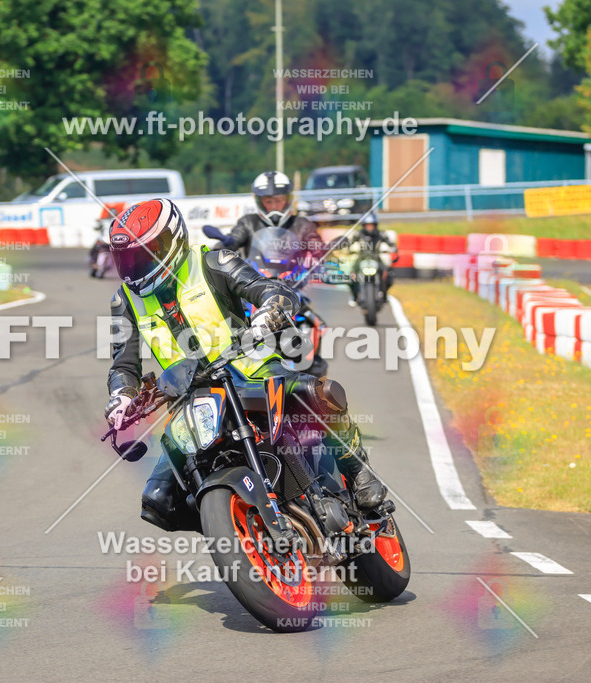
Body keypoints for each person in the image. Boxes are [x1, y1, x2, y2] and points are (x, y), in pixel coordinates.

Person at [104, 198, 387, 532]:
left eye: (144, 254)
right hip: (190, 400)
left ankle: (358, 471)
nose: (136, 266)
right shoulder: (125, 300)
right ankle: (232, 523)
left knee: (317, 393)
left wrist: (270, 309)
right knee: (158, 500)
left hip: (252, 370)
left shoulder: (212, 262)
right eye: (127, 258)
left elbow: (267, 289)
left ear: (173, 238)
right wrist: (122, 395)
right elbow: (123, 362)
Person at [218, 171, 328, 261]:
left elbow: (318, 250)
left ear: (288, 200)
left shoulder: (302, 225)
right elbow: (235, 238)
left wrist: (325, 252)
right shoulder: (249, 222)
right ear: (259, 202)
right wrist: (225, 243)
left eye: (279, 201)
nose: (274, 206)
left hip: (294, 284)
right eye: (268, 202)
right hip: (254, 284)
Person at [346, 211, 396, 307]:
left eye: (371, 225)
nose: (370, 227)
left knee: (388, 274)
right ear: (364, 225)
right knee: (351, 275)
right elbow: (349, 243)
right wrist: (347, 249)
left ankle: (384, 294)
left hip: (376, 258)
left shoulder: (380, 234)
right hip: (361, 258)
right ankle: (354, 295)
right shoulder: (358, 234)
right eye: (368, 225)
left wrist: (393, 249)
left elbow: (390, 244)